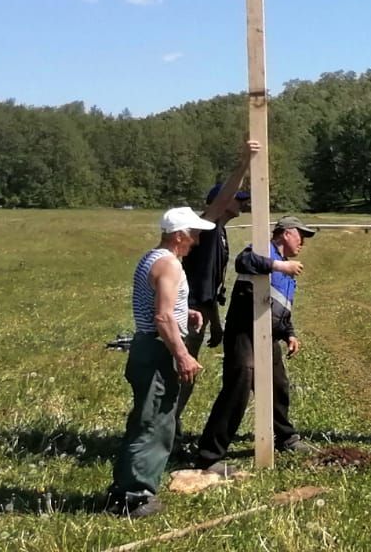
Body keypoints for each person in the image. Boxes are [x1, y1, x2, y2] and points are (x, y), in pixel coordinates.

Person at [106, 207, 214, 518]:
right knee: (154, 423)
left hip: (148, 346)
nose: (195, 241)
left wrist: (185, 314)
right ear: (178, 235)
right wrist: (182, 354)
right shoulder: (169, 265)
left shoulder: (151, 258)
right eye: (192, 234)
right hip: (158, 349)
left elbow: (165, 307)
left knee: (147, 418)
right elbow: (163, 316)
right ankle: (134, 496)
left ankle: (128, 488)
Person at [196, 215, 317, 473]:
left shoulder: (284, 266)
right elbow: (243, 261)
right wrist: (278, 266)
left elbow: (281, 307)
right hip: (244, 332)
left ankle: (286, 438)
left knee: (278, 385)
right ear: (286, 233)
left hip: (268, 334)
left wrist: (289, 333)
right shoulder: (264, 252)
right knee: (238, 387)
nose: (302, 242)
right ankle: (209, 455)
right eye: (300, 236)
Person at [174, 139, 261, 447]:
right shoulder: (206, 228)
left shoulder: (220, 233)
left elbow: (209, 283)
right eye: (238, 199)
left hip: (199, 316)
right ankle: (165, 432)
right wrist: (244, 163)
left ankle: (170, 429)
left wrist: (216, 322)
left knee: (185, 379)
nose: (242, 203)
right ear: (221, 203)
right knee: (178, 378)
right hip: (186, 317)